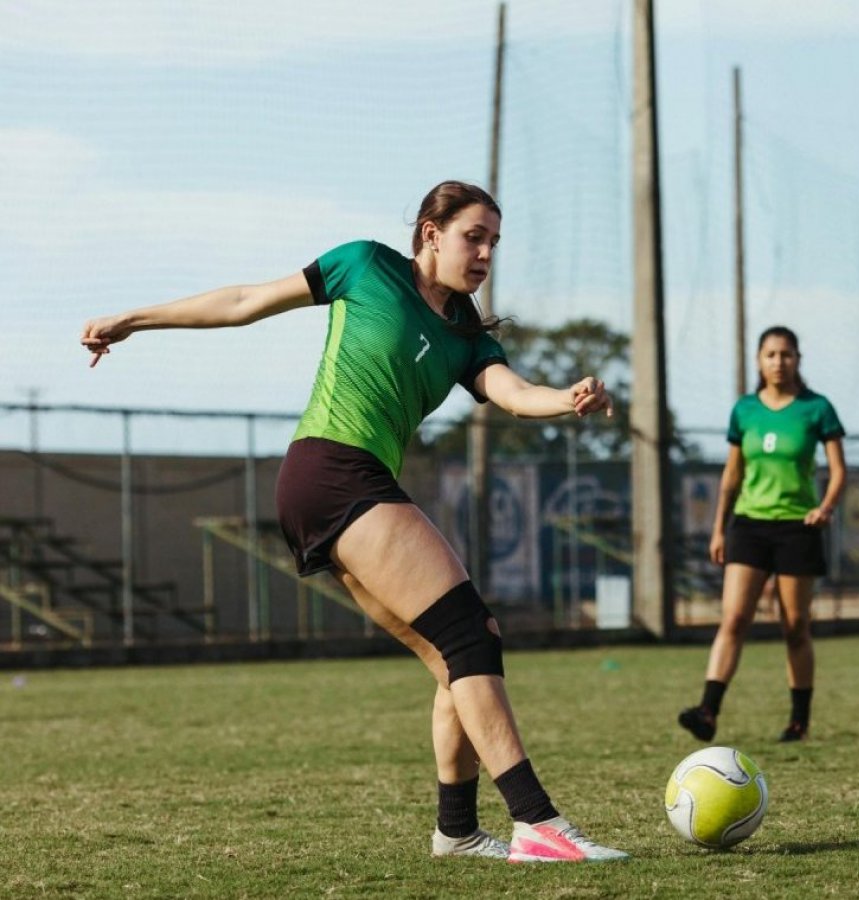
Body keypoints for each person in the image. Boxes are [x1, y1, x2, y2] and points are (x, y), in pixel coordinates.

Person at [80, 181, 628, 864]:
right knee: (468, 634)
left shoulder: (464, 332)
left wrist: (567, 397)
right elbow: (246, 301)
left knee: (455, 655)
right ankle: (537, 823)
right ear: (431, 232)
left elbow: (512, 394)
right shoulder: (365, 266)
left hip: (342, 486)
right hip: (331, 470)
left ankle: (457, 832)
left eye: (494, 242)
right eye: (473, 236)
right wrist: (136, 318)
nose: (485, 253)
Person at [678, 326, 847, 744]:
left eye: (786, 354)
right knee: (734, 618)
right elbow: (732, 473)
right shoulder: (745, 410)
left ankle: (799, 721)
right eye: (770, 354)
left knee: (794, 627)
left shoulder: (817, 408)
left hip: (797, 527)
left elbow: (840, 470)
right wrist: (719, 527)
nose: (778, 361)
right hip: (749, 526)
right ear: (759, 360)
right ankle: (708, 711)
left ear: (797, 359)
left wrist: (824, 508)